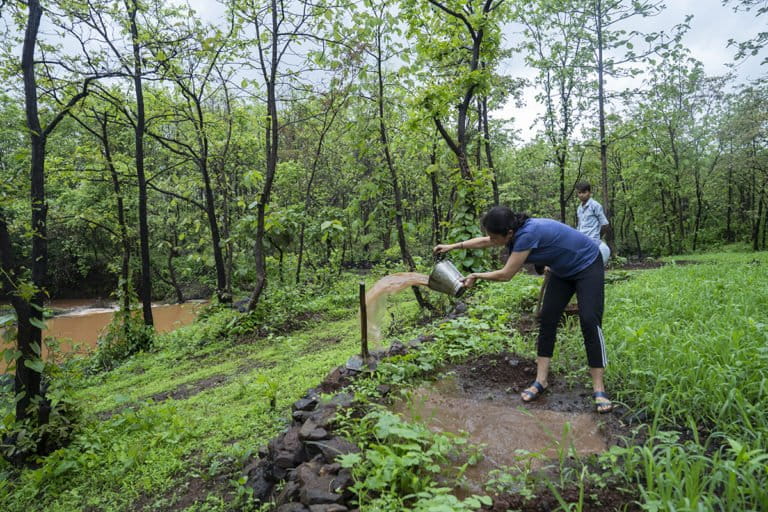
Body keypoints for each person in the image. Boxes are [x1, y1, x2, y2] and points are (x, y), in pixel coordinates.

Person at [433, 206, 613, 413]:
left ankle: (599, 388)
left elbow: (506, 274)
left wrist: (476, 275)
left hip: (587, 263)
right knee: (547, 319)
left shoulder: (526, 235)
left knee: (589, 320)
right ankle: (541, 380)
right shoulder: (511, 230)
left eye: (494, 235)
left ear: (509, 233)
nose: (490, 239)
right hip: (561, 270)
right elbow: (486, 241)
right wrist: (452, 246)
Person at [575, 182, 610, 265]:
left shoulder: (595, 206)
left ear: (590, 193)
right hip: (582, 241)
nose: (582, 195)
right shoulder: (579, 208)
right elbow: (580, 225)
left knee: (593, 265)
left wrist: (598, 237)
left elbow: (605, 224)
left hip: (593, 241)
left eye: (584, 192)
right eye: (579, 193)